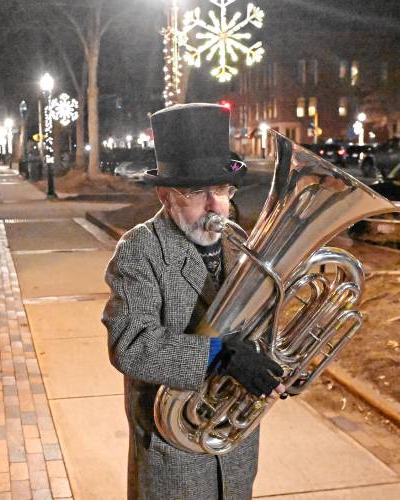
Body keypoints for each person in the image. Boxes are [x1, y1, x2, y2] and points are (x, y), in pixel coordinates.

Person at [102, 103, 285, 500]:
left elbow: (261, 324)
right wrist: (218, 355)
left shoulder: (238, 242)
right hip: (173, 457)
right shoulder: (140, 250)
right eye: (196, 192)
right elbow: (131, 345)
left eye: (221, 190)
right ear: (166, 196)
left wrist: (279, 363)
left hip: (235, 449)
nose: (214, 206)